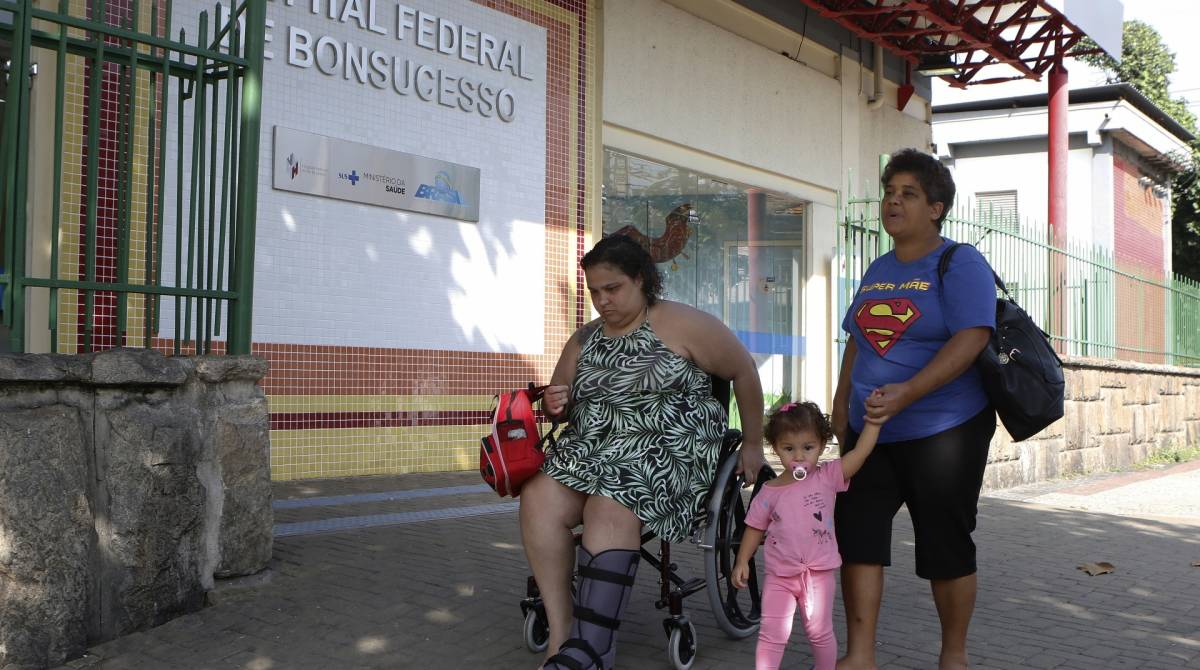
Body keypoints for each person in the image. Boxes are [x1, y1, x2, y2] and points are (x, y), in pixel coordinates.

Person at [519, 233, 766, 670]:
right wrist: (555, 405)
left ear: (641, 280)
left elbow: (743, 371)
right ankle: (563, 636)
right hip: (592, 451)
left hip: (667, 452)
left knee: (610, 504)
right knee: (538, 495)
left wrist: (751, 443)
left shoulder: (682, 324)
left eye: (612, 288)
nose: (602, 301)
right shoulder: (585, 339)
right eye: (594, 291)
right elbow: (559, 407)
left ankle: (594, 649)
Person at [832, 148, 998, 670]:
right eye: (888, 192)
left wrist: (908, 391)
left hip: (944, 429)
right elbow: (857, 342)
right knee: (856, 535)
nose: (892, 201)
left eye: (908, 193)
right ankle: (859, 656)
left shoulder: (959, 260)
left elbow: (972, 337)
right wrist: (842, 410)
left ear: (936, 207)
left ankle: (954, 655)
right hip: (870, 435)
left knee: (943, 541)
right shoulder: (878, 269)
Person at [731, 399, 884, 670]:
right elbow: (754, 527)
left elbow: (859, 454)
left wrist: (873, 424)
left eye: (808, 448)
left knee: (819, 632)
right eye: (789, 448)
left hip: (818, 574)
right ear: (776, 448)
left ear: (822, 447)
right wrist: (742, 560)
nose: (799, 456)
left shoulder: (827, 477)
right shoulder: (769, 491)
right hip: (779, 575)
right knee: (772, 634)